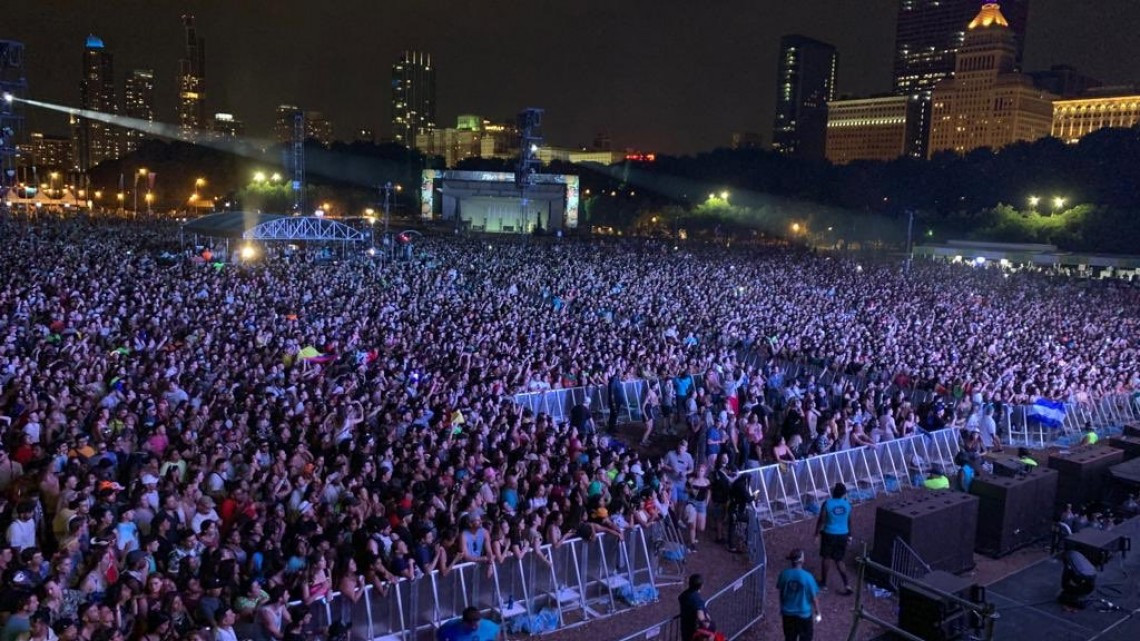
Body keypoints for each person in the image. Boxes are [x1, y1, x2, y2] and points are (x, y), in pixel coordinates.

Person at [814, 482, 853, 595]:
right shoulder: (847, 505)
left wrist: (816, 534)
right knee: (839, 560)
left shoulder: (827, 503)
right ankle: (847, 584)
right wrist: (850, 535)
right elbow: (849, 521)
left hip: (829, 534)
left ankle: (824, 583)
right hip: (843, 534)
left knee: (826, 557)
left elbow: (821, 519)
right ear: (844, 494)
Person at [777, 548, 820, 641]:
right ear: (802, 560)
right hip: (804, 614)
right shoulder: (808, 577)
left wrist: (781, 607)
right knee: (806, 638)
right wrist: (818, 612)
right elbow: (814, 598)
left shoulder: (784, 574)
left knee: (789, 638)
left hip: (787, 613)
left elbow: (781, 592)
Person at [678, 573, 709, 641]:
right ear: (701, 586)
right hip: (694, 629)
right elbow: (700, 615)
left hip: (685, 626)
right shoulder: (697, 599)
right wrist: (709, 625)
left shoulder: (684, 595)